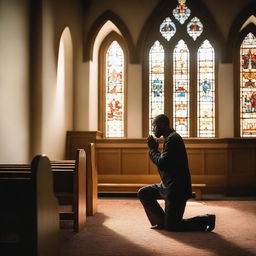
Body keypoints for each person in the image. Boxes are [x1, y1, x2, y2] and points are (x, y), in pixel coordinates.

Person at [138, 114, 216, 232]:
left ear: (163, 124)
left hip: (177, 190)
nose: (153, 129)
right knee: (144, 192)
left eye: (154, 126)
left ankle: (206, 220)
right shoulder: (169, 138)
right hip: (167, 185)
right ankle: (161, 221)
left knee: (173, 226)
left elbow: (162, 163)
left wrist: (153, 149)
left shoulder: (173, 139)